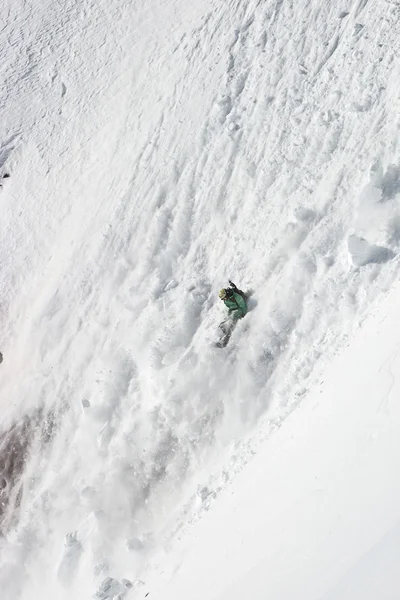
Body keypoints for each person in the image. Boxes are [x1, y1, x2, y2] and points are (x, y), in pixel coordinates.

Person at [217, 281, 247, 346]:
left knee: (232, 321)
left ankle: (225, 340)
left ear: (226, 295)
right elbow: (230, 306)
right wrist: (229, 312)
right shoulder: (226, 299)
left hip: (239, 309)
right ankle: (221, 335)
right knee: (224, 320)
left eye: (223, 298)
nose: (223, 300)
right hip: (233, 309)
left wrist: (243, 314)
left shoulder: (237, 297)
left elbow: (243, 306)